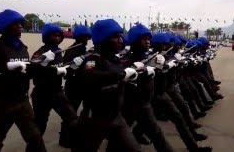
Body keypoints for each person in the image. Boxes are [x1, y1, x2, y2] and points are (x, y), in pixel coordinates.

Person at [0, 9, 48, 152]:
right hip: (1, 103)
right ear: (6, 26)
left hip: (22, 102)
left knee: (35, 138)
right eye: (16, 24)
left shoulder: (22, 48)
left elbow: (26, 72)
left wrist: (40, 65)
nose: (20, 26)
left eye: (21, 23)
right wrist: (6, 66)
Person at [70, 19, 141, 152]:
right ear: (103, 39)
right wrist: (120, 75)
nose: (120, 40)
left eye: (120, 36)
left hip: (116, 117)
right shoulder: (93, 59)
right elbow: (89, 76)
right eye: (115, 37)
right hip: (95, 119)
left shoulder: (114, 58)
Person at [118, 23, 175, 152]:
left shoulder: (148, 56)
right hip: (130, 104)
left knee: (157, 135)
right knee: (119, 139)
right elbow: (120, 75)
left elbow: (162, 70)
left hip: (145, 103)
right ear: (135, 40)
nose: (148, 42)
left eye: (149, 39)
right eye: (144, 39)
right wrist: (136, 70)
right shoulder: (126, 58)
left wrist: (163, 64)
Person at [30, 23, 80, 147]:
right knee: (39, 126)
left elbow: (62, 70)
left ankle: (66, 141)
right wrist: (44, 63)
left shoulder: (58, 52)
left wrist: (73, 66)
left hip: (57, 92)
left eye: (59, 35)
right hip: (42, 94)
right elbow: (31, 70)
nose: (57, 38)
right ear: (46, 36)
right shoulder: (40, 53)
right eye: (54, 35)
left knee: (72, 118)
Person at [60, 24, 92, 147]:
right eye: (85, 37)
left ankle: (77, 135)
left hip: (84, 84)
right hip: (73, 86)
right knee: (70, 114)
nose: (87, 40)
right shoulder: (71, 50)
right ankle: (65, 139)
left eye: (88, 37)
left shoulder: (84, 50)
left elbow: (89, 68)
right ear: (79, 37)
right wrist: (74, 66)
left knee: (83, 112)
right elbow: (66, 70)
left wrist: (90, 61)